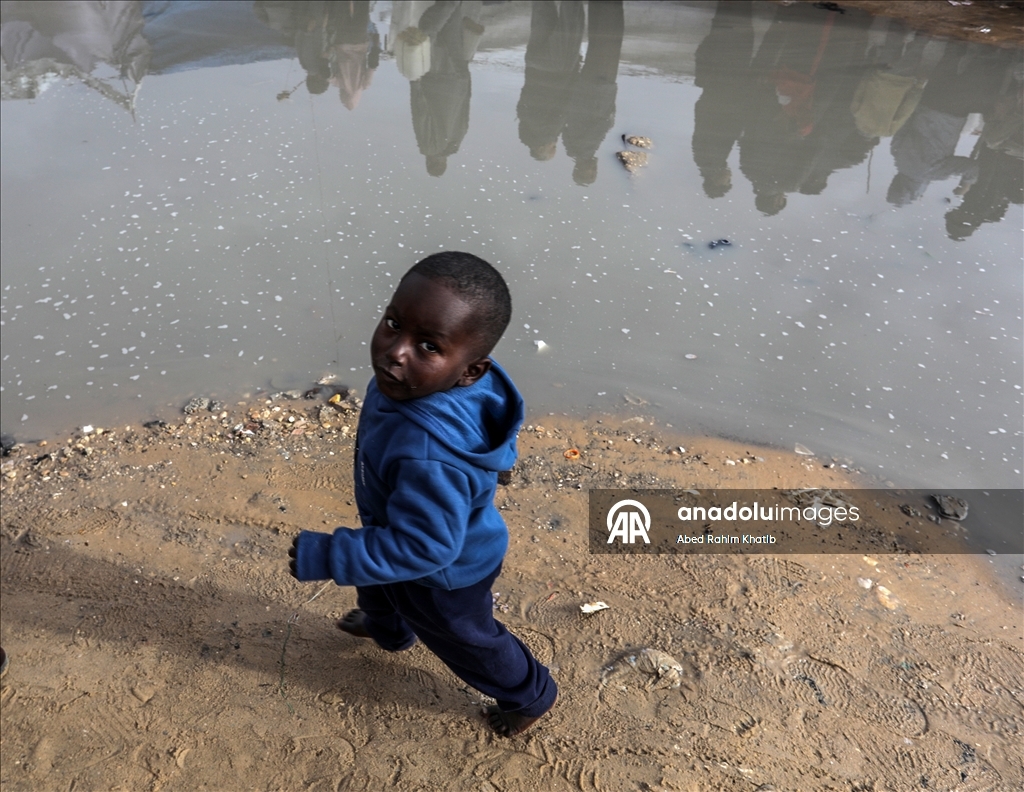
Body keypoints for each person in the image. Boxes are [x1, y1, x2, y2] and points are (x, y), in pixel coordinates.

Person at [288, 251, 557, 737]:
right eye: (393, 323)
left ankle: (530, 694)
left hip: (443, 572)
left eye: (428, 346)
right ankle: (387, 629)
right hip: (397, 524)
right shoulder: (410, 384)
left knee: (466, 638)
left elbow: (425, 548)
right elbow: (482, 425)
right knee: (377, 579)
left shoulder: (429, 453)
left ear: (469, 371)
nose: (396, 351)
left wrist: (330, 553)